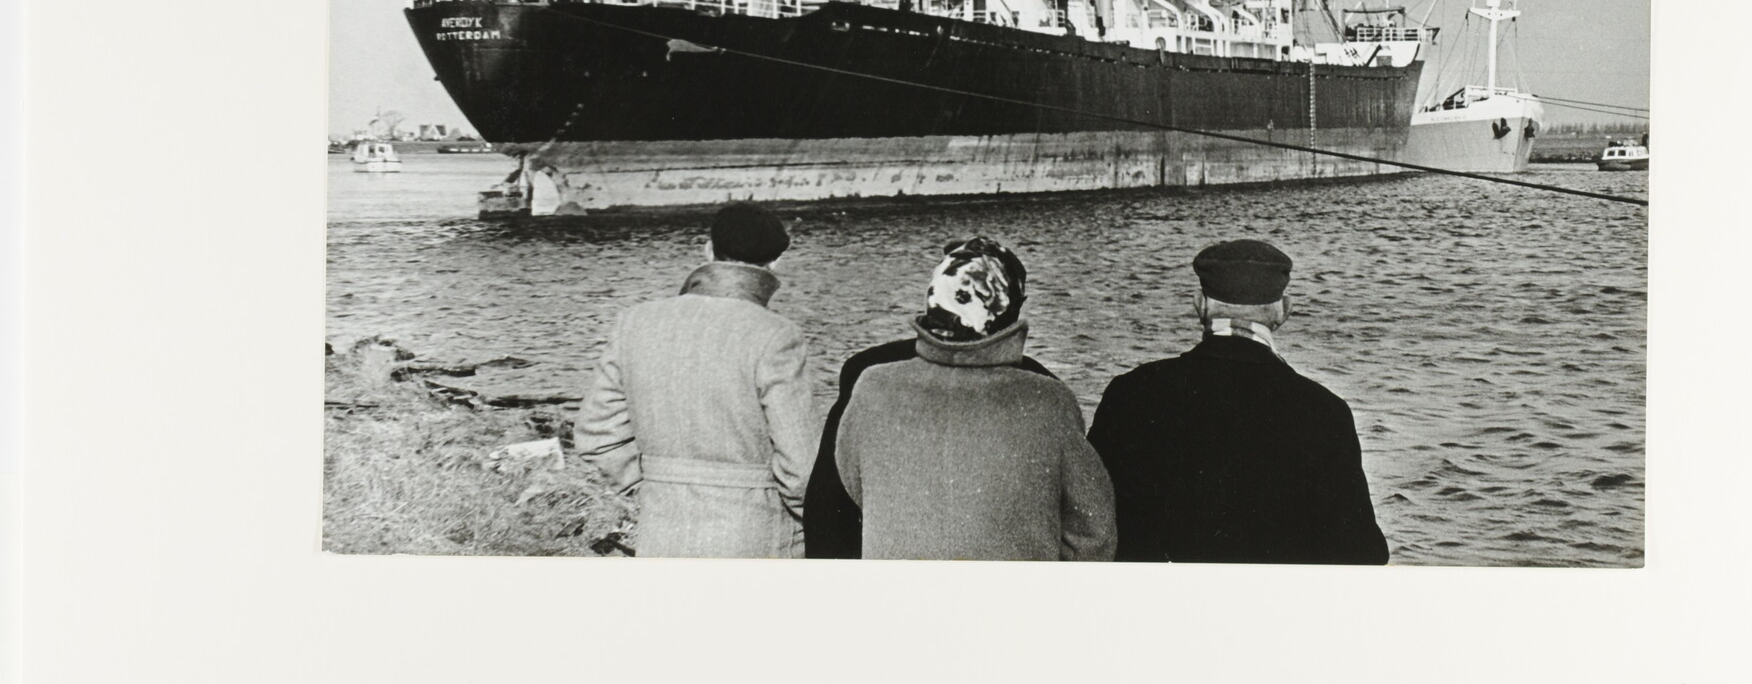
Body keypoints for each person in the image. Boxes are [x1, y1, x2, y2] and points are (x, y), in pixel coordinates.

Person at [1086, 238, 1389, 564]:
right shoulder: (1324, 411)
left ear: (1199, 304)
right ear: (1284, 310)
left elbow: (1086, 518)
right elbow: (1362, 552)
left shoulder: (1130, 393)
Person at [831, 239, 1116, 561]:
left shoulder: (872, 385)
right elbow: (1093, 531)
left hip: (900, 599)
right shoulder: (1048, 399)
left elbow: (854, 485)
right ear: (1014, 308)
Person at [570, 202, 818, 557]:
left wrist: (654, 486)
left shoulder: (634, 322)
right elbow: (802, 466)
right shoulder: (777, 335)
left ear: (707, 249)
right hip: (755, 534)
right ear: (777, 262)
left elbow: (597, 436)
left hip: (661, 530)